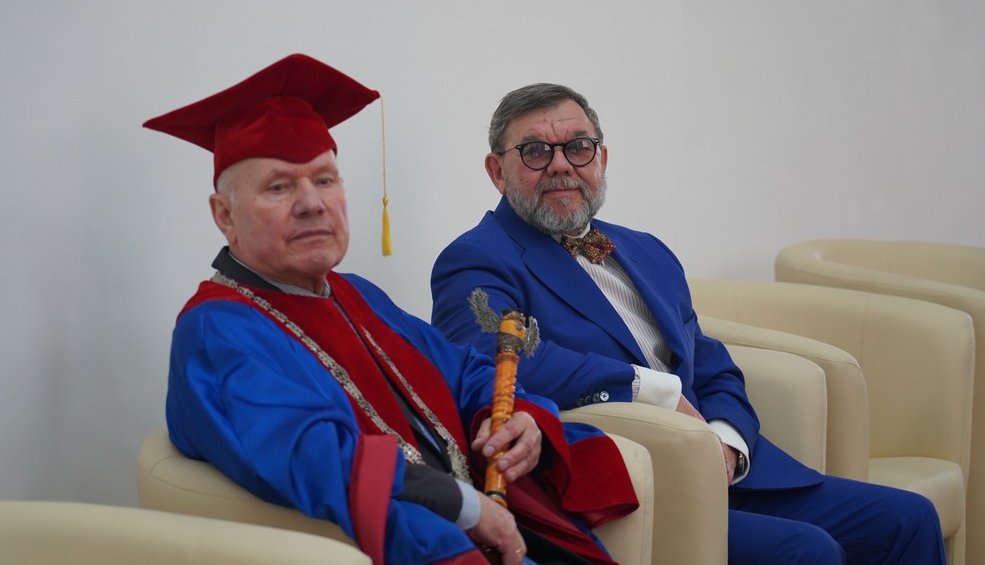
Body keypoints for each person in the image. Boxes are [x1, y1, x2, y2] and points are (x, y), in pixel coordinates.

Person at [143, 57, 639, 565]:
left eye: (325, 181)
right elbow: (311, 454)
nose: (313, 204)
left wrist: (512, 417)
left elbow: (461, 368)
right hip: (422, 542)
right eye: (279, 187)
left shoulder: (351, 294)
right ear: (225, 216)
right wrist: (464, 505)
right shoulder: (218, 328)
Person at [430, 83, 947, 565]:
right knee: (807, 550)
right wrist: (648, 389)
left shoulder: (645, 250)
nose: (561, 165)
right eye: (536, 151)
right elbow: (497, 361)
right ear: (497, 171)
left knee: (910, 518)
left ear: (601, 158)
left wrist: (727, 441)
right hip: (635, 486)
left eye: (578, 147)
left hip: (731, 471)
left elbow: (711, 363)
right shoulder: (476, 259)